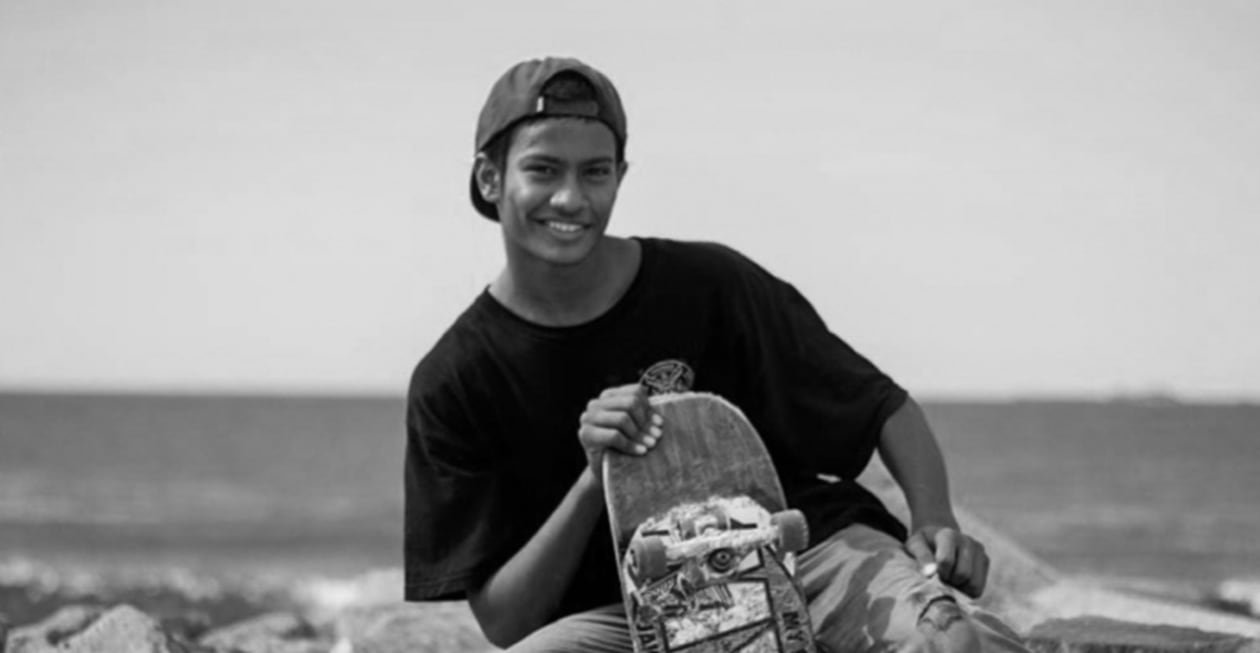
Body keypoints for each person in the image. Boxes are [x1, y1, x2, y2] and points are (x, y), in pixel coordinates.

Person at [404, 56, 1030, 652]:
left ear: (620, 176)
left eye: (595, 172)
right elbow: (506, 622)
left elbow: (882, 406)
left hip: (808, 557)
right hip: (633, 617)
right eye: (542, 170)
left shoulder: (709, 285)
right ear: (490, 178)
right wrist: (596, 478)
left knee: (947, 637)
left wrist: (933, 516)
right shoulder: (454, 379)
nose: (570, 198)